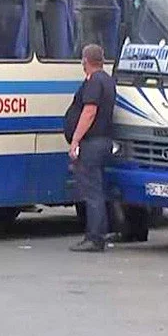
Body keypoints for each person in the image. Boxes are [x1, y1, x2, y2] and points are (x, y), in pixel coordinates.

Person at [65, 44, 117, 252]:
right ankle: (99, 233)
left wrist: (75, 140)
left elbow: (89, 112)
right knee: (97, 189)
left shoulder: (94, 82)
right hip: (103, 141)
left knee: (92, 191)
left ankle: (95, 237)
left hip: (92, 142)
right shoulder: (107, 80)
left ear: (85, 61)